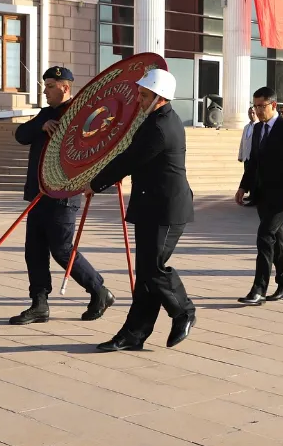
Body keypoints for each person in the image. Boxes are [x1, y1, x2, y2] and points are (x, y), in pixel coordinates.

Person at [87, 68, 197, 351]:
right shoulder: (159, 119)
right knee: (146, 275)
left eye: (144, 94)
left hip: (166, 210)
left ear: (160, 97)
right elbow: (139, 159)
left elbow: (128, 159)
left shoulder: (160, 127)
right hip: (152, 207)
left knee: (153, 269)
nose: (138, 98)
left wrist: (94, 184)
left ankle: (184, 310)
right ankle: (133, 334)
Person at [10, 67, 114, 325]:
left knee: (62, 250)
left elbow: (93, 147)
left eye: (49, 86)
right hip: (38, 192)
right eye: (45, 86)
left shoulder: (81, 114)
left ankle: (99, 290)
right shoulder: (45, 113)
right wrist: (40, 125)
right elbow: (20, 135)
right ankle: (39, 303)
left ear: (65, 87)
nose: (45, 91)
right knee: (34, 250)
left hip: (64, 193)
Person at [236, 87, 283, 305]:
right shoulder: (257, 130)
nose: (257, 110)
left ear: (273, 105)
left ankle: (259, 289)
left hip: (282, 196)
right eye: (255, 106)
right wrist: (243, 187)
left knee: (265, 237)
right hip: (263, 194)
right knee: (277, 239)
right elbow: (253, 162)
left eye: (261, 106)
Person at [237, 106, 258, 206]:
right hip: (246, 156)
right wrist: (240, 155)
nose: (251, 115)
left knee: (254, 177)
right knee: (247, 175)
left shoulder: (259, 126)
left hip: (254, 156)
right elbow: (242, 142)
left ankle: (254, 197)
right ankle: (250, 194)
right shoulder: (246, 127)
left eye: (253, 113)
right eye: (250, 113)